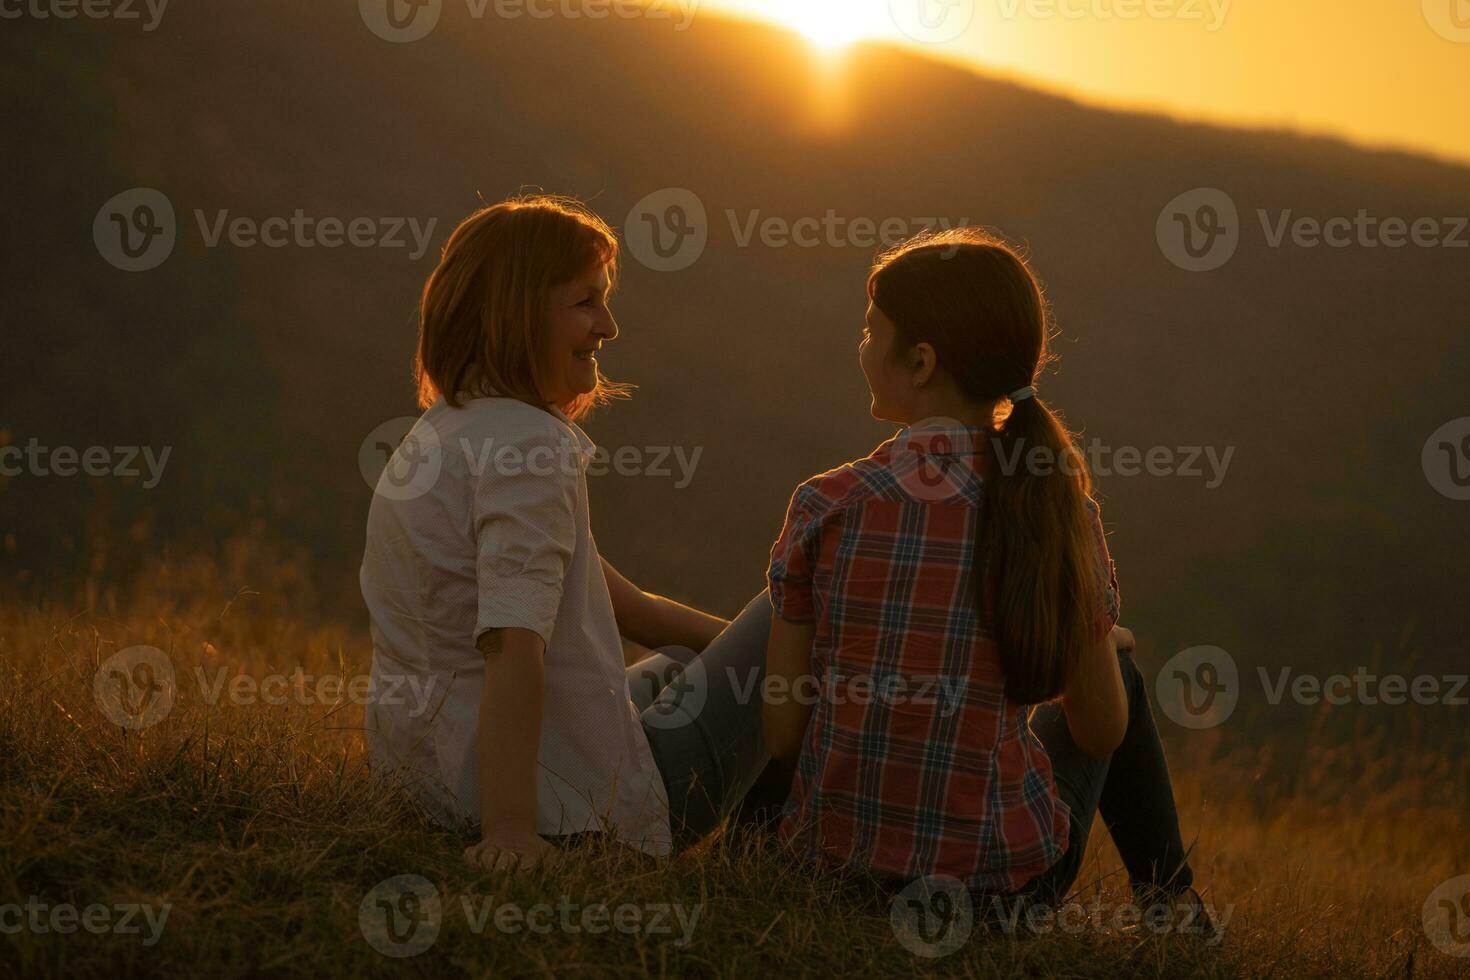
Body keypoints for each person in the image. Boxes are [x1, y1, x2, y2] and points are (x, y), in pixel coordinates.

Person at [762, 229, 1208, 927]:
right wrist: (1093, 643)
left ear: (919, 360)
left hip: (833, 873)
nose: (859, 347)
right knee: (1118, 673)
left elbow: (783, 734)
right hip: (999, 899)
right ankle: (1172, 905)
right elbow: (1098, 733)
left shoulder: (827, 502)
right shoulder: (1056, 512)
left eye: (868, 331)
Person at [360, 195, 778, 870]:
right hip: (566, 811)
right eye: (586, 303)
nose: (608, 327)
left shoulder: (445, 432)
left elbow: (628, 608)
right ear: (518, 313)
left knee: (692, 664)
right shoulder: (530, 450)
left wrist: (761, 668)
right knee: (808, 600)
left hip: (435, 780)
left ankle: (772, 841)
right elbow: (511, 645)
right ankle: (783, 856)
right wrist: (509, 833)